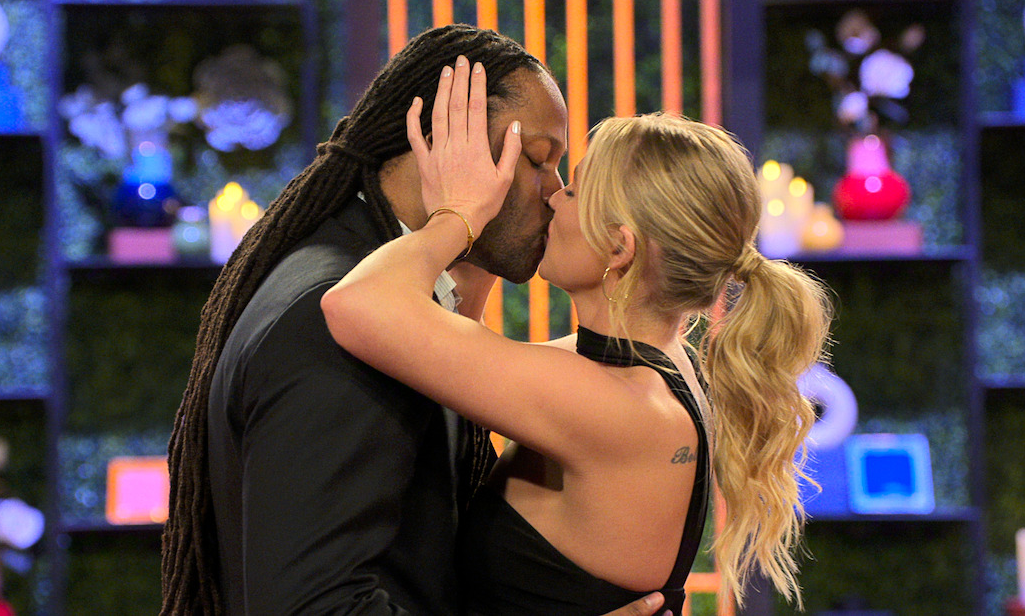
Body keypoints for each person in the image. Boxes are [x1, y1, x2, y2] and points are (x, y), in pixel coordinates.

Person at [160, 25, 666, 616]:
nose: (555, 192)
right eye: (536, 159)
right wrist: (459, 219)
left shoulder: (387, 294)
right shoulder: (338, 321)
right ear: (441, 143)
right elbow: (320, 608)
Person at [322, 57, 833, 615]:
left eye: (575, 190)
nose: (553, 196)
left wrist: (458, 214)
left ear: (619, 248)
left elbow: (356, 304)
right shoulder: (647, 371)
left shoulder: (613, 404)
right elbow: (460, 350)